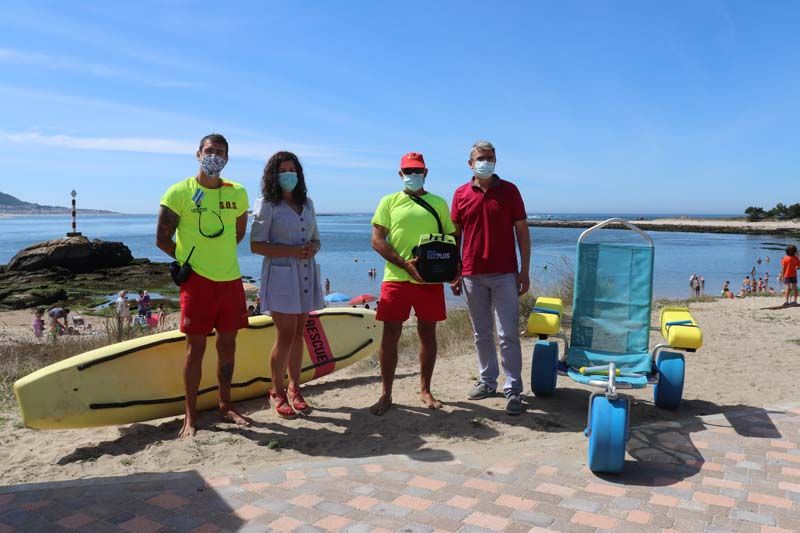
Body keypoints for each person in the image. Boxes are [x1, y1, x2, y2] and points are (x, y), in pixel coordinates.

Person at [156, 133, 251, 438]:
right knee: (194, 350)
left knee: (228, 346)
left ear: (227, 158)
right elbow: (161, 239)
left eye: (220, 153)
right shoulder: (178, 192)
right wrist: (186, 262)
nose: (215, 157)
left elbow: (238, 234)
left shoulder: (238, 193)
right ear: (197, 154)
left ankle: (226, 405)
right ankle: (190, 416)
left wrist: (217, 256)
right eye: (209, 151)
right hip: (197, 283)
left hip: (231, 280)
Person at [369, 151, 456, 415]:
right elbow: (377, 240)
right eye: (408, 172)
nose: (413, 176)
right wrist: (405, 265)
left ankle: (425, 389)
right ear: (400, 174)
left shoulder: (439, 203)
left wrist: (454, 271)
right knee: (390, 336)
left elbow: (450, 241)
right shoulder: (389, 202)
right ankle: (386, 394)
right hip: (396, 279)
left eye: (417, 171)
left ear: (426, 173)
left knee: (428, 334)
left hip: (430, 281)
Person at [450, 140, 531, 415]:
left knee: (508, 334)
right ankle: (487, 382)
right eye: (481, 158)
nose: (486, 162)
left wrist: (525, 270)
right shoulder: (461, 194)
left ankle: (513, 389)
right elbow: (455, 237)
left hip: (505, 273)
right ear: (470, 163)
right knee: (481, 333)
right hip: (472, 274)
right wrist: (455, 272)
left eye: (490, 158)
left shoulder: (510, 191)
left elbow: (522, 232)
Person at [250, 151, 324, 419]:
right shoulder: (267, 204)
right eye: (283, 170)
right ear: (274, 174)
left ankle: (295, 387)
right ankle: (277, 390)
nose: (288, 174)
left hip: (305, 274)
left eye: (292, 170)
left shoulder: (308, 203)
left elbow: (316, 239)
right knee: (284, 334)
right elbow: (256, 245)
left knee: (299, 333)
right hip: (281, 275)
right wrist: (292, 251)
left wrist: (312, 249)